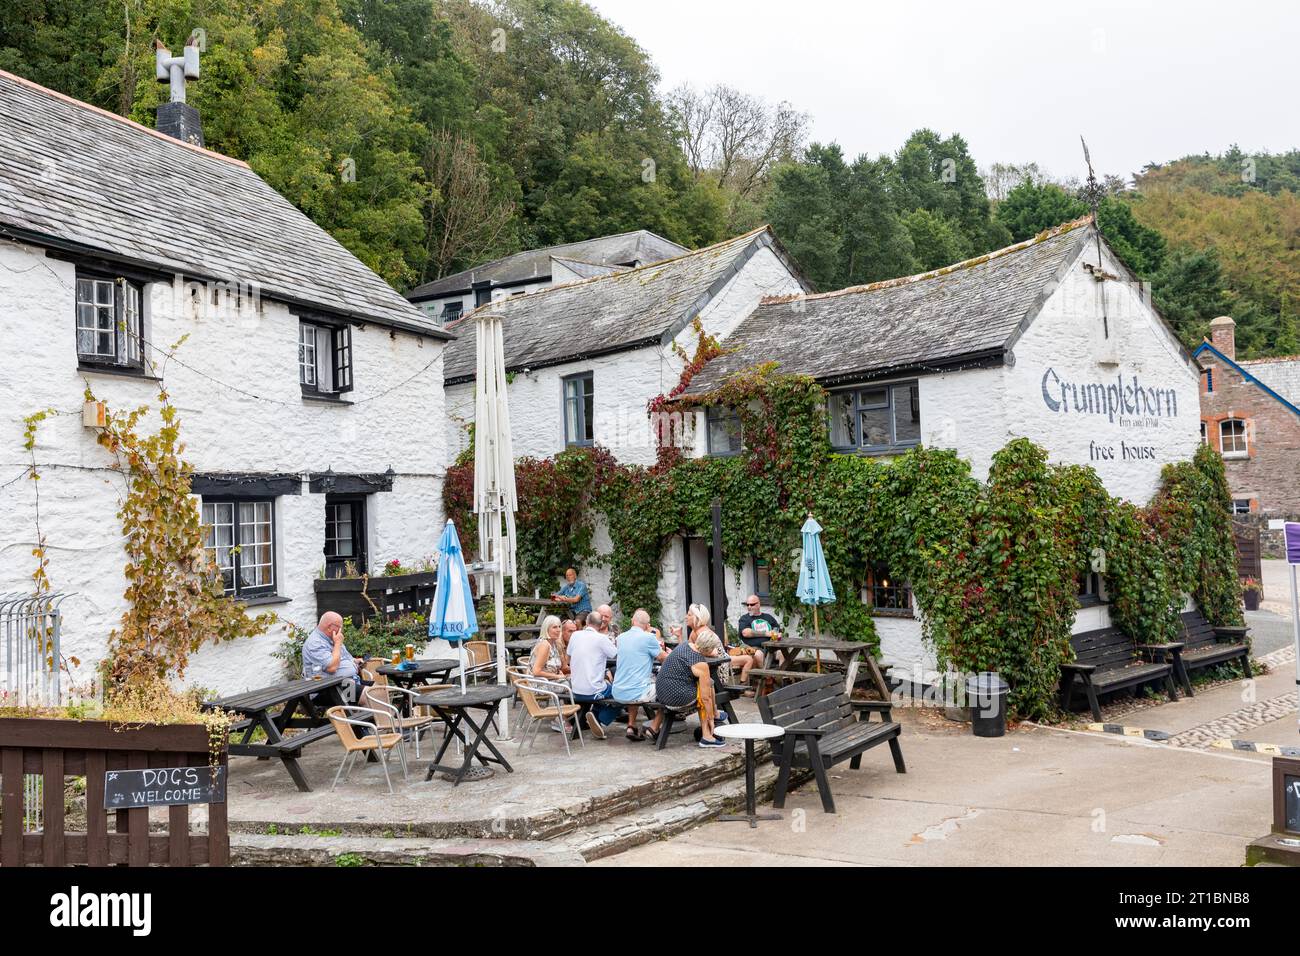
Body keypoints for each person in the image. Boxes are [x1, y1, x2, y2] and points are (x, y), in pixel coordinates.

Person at [653, 615, 728, 748]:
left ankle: (713, 717)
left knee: (706, 684)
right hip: (675, 698)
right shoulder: (701, 664)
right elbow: (705, 699)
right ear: (709, 649)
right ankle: (707, 736)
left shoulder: (685, 645)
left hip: (661, 692)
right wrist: (710, 716)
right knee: (704, 696)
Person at [610, 609, 668, 740]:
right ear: (648, 626)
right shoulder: (649, 638)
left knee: (634, 681)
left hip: (618, 691)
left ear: (632, 622)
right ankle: (654, 727)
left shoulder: (620, 638)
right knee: (669, 691)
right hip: (638, 692)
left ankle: (631, 726)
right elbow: (663, 658)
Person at [566, 615, 619, 739]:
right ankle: (599, 718)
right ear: (601, 625)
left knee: (605, 687)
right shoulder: (601, 638)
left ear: (587, 622)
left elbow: (568, 659)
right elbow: (616, 655)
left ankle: (594, 716)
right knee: (621, 693)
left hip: (575, 688)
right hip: (592, 690)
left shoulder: (575, 635)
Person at [301, 611, 369, 701]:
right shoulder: (315, 643)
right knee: (370, 694)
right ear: (329, 627)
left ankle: (381, 714)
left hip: (348, 682)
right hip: (328, 690)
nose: (342, 630)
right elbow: (332, 667)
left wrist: (355, 661)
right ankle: (376, 714)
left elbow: (345, 657)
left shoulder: (332, 638)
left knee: (380, 689)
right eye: (340, 627)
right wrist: (337, 643)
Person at [529, 614, 571, 734]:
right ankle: (560, 718)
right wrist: (558, 676)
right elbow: (536, 671)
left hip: (551, 680)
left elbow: (562, 666)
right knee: (571, 686)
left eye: (559, 627)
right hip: (539, 684)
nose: (558, 630)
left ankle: (570, 716)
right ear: (546, 629)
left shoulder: (554, 644)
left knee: (575, 682)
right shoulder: (545, 645)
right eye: (554, 627)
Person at [738, 595, 783, 669]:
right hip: (756, 648)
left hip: (772, 647)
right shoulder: (745, 619)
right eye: (747, 605)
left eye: (752, 604)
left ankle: (783, 677)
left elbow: (777, 630)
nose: (749, 607)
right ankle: (767, 677)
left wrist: (778, 634)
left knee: (782, 653)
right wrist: (766, 633)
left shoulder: (768, 617)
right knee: (758, 654)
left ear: (758, 604)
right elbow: (745, 633)